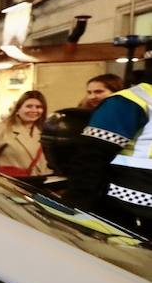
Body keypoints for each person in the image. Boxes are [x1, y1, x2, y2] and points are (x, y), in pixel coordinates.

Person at [64, 72, 152, 230]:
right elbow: (90, 158)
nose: (92, 96)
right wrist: (73, 211)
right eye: (89, 92)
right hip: (128, 213)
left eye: (98, 91)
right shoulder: (130, 101)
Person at [0, 90, 51, 178]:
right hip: (10, 186)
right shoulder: (0, 129)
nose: (34, 110)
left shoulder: (44, 131)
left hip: (38, 186)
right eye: (29, 106)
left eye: (38, 107)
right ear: (18, 109)